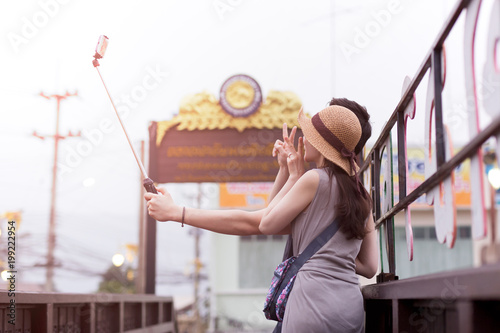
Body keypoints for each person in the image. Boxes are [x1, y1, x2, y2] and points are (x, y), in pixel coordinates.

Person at [145, 99, 378, 332]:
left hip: (312, 302)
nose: (304, 140)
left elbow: (264, 223)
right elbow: (369, 266)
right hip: (350, 307)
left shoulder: (314, 179)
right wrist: (286, 172)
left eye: (309, 134)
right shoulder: (362, 195)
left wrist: (177, 212)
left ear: (322, 144)